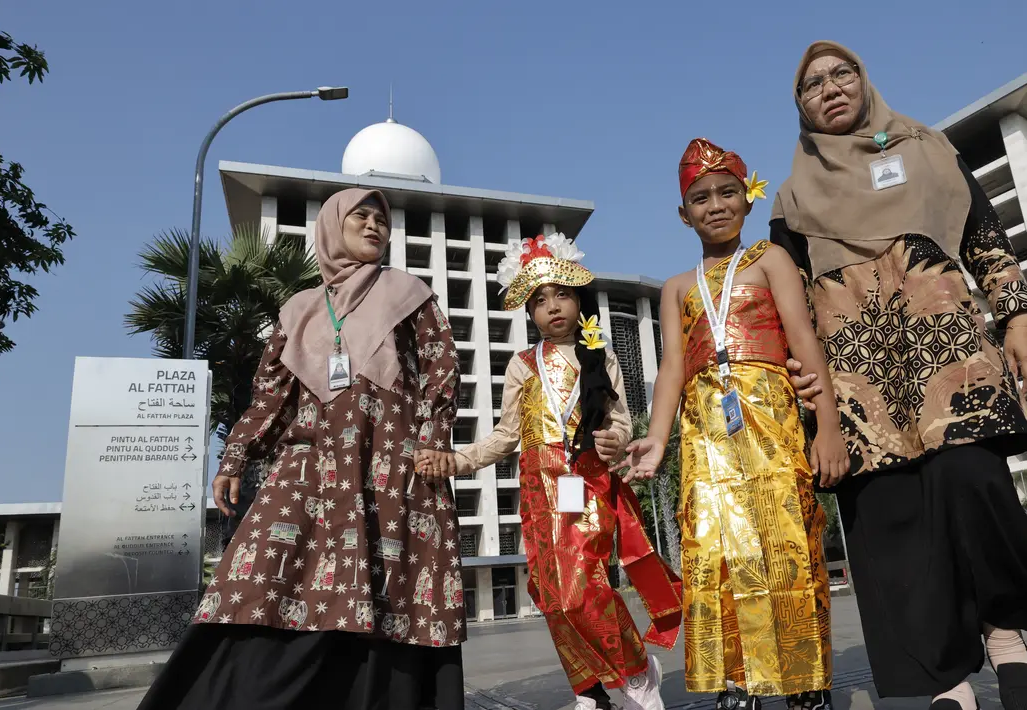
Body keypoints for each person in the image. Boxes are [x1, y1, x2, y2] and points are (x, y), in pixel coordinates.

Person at [773, 41, 1027, 710]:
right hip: (858, 379)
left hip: (948, 355)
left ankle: (1004, 641)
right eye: (811, 84)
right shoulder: (791, 195)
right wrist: (809, 399)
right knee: (890, 522)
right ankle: (943, 681)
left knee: (973, 485)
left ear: (864, 80)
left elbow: (984, 236)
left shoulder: (926, 150)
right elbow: (788, 308)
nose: (830, 88)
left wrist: (1017, 319)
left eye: (842, 73)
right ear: (801, 108)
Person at [138, 188, 465, 710]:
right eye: (360, 216)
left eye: (381, 219)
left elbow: (440, 371)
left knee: (391, 584)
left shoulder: (410, 294)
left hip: (390, 466)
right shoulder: (298, 310)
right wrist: (236, 456)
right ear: (334, 226)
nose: (374, 226)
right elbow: (271, 395)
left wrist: (433, 442)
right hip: (309, 463)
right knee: (263, 570)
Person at [618, 138, 845, 710]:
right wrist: (657, 439)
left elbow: (803, 339)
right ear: (682, 213)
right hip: (704, 433)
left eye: (726, 193)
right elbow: (671, 366)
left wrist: (829, 428)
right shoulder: (676, 287)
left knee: (786, 542)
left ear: (747, 199)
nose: (715, 205)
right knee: (715, 549)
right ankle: (736, 680)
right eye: (700, 198)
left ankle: (801, 678)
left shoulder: (770, 259)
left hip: (769, 418)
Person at [449, 234, 684, 710]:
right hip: (538, 490)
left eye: (562, 294)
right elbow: (506, 434)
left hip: (588, 483)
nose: (553, 307)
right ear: (528, 312)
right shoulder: (521, 365)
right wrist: (459, 460)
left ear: (578, 299)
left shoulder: (601, 355)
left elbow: (619, 422)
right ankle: (589, 692)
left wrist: (616, 441)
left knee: (583, 589)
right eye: (540, 300)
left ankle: (638, 671)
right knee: (549, 594)